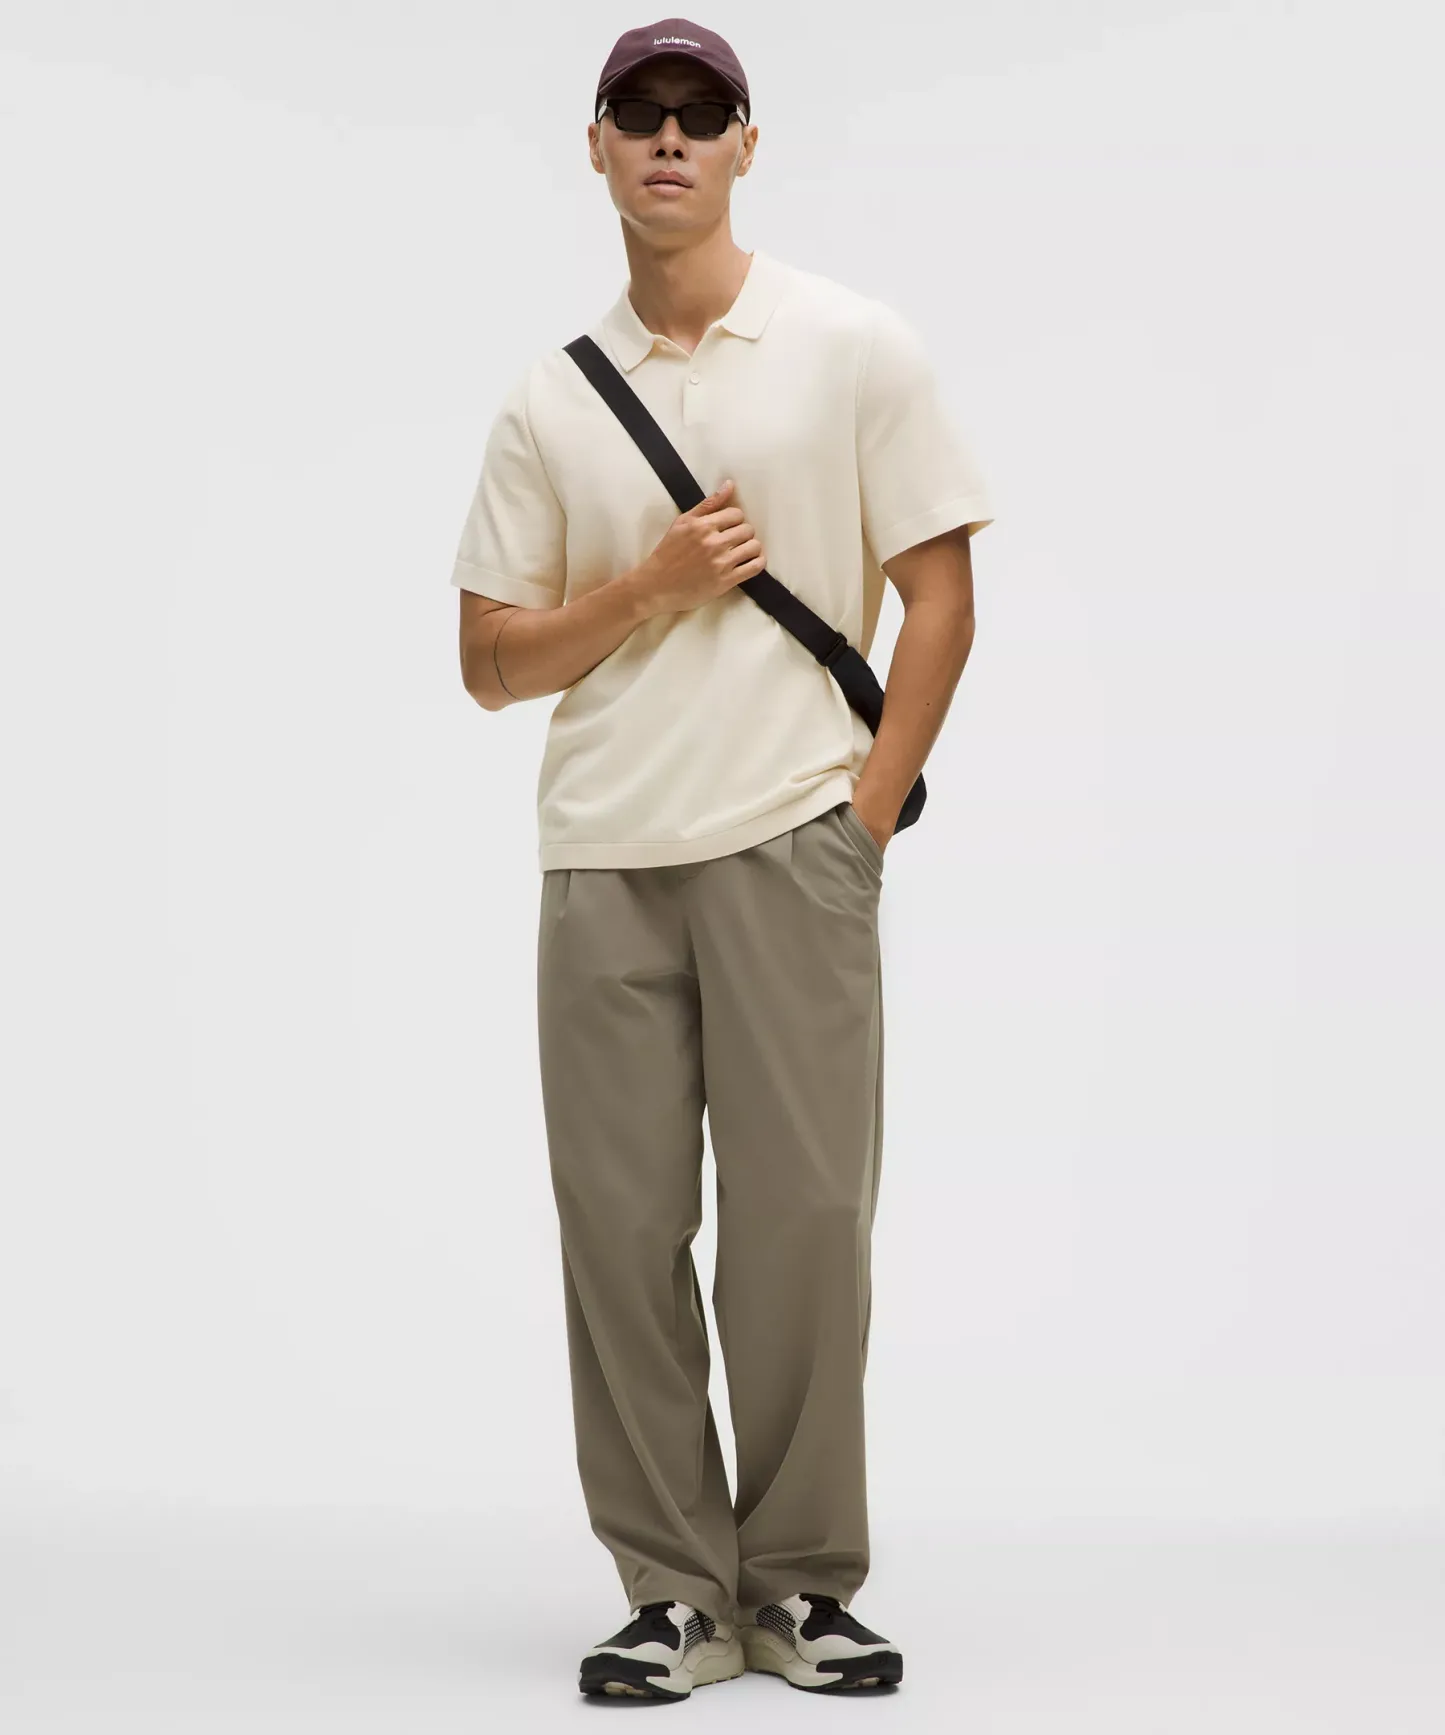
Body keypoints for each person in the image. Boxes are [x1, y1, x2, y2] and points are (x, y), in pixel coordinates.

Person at [450, 15, 995, 1703]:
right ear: (597, 147)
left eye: (704, 111)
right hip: (602, 856)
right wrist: (651, 587)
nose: (671, 135)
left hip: (792, 842)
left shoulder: (851, 345)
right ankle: (676, 1592)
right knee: (619, 1236)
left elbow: (941, 594)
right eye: (641, 110)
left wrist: (867, 815)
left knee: (805, 1225)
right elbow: (490, 661)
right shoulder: (552, 395)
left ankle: (806, 1582)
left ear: (749, 143)